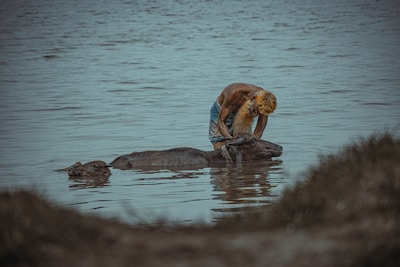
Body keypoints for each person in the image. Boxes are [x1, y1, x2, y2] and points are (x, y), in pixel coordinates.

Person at [209, 83, 277, 150]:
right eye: (256, 111)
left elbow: (258, 132)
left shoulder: (265, 101)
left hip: (244, 111)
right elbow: (221, 121)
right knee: (220, 144)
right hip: (221, 111)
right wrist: (231, 140)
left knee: (245, 142)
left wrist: (253, 143)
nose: (256, 115)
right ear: (252, 98)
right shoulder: (234, 92)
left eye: (259, 113)